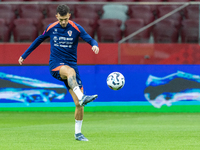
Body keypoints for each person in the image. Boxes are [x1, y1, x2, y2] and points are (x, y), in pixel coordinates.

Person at [18, 4, 99, 141]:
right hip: (56, 66)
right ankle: (82, 96)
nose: (63, 22)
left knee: (79, 104)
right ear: (57, 17)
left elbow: (90, 39)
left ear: (69, 16)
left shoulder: (76, 28)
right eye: (61, 19)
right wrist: (24, 55)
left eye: (65, 19)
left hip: (72, 69)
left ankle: (78, 133)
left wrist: (94, 45)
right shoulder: (51, 28)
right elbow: (38, 40)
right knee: (70, 72)